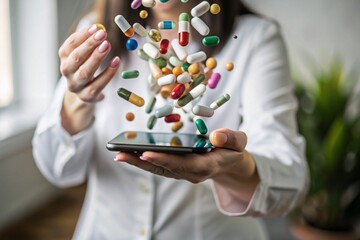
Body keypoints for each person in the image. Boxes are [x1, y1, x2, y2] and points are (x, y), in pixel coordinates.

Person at [32, 0, 309, 239]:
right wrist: (77, 97)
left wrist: (233, 168)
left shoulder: (255, 38)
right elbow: (57, 168)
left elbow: (291, 181)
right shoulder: (95, 32)